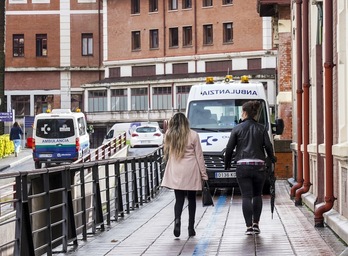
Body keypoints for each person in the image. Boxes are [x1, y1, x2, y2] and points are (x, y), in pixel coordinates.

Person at [224, 100, 277, 235]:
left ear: (245, 112)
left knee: (246, 196)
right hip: (259, 166)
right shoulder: (261, 128)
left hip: (242, 166)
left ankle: (248, 227)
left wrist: (227, 164)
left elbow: (229, 148)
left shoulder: (237, 128)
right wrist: (272, 158)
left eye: (242, 111)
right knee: (257, 195)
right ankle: (256, 224)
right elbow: (268, 146)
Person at [161, 112, 208, 238]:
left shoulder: (169, 136)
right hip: (191, 170)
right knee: (191, 199)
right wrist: (204, 174)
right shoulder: (193, 135)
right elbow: (199, 156)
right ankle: (191, 227)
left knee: (179, 199)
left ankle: (177, 221)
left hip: (176, 171)